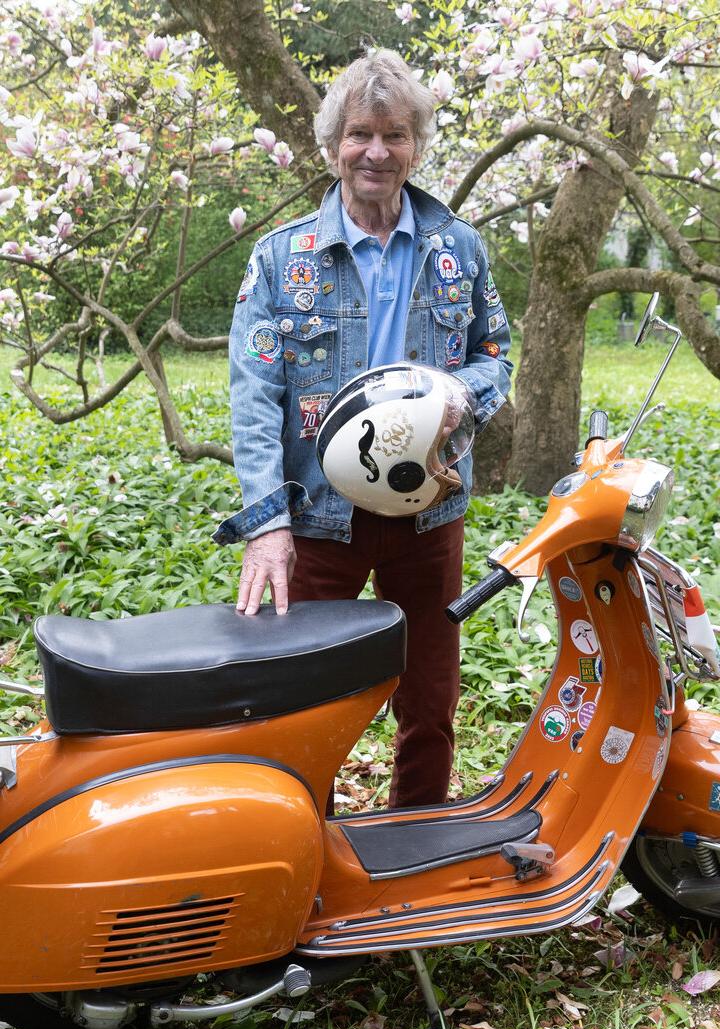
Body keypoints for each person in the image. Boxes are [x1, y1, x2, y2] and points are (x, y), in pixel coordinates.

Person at [214, 49, 512, 809]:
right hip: (316, 521)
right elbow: (254, 396)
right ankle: (300, 852)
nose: (376, 152)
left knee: (430, 703)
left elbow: (495, 357)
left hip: (429, 514)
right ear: (333, 145)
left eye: (395, 135)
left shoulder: (460, 250)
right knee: (301, 703)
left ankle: (414, 856)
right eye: (360, 134)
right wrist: (266, 526)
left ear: (417, 146)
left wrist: (458, 394)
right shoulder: (281, 261)